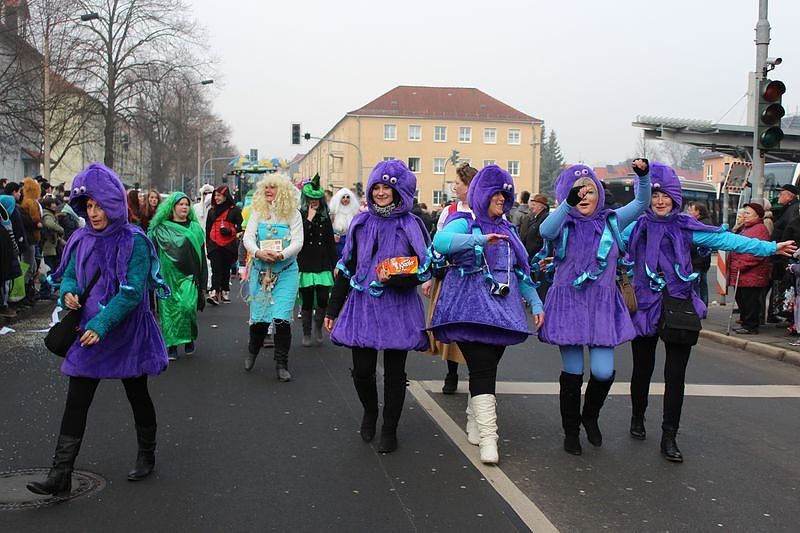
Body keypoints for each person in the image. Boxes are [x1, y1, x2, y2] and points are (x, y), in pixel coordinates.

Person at [626, 163, 796, 462]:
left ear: (675, 197)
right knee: (642, 368)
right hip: (644, 305)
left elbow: (728, 240)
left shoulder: (687, 227)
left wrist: (770, 248)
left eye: (665, 196)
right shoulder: (636, 227)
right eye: (654, 196)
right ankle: (637, 417)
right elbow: (607, 244)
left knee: (675, 375)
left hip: (679, 304)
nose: (660, 201)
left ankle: (669, 436)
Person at [26, 163, 169, 497]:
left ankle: (146, 454)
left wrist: (102, 324)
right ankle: (60, 474)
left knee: (137, 394)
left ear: (114, 204)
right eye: (88, 205)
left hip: (126, 331)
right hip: (87, 332)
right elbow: (71, 276)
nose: (93, 213)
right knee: (77, 400)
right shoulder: (81, 238)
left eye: (100, 205)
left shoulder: (135, 241)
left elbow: (131, 293)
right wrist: (68, 292)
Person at [430, 165, 544, 464]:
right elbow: (440, 243)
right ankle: (490, 438)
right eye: (496, 193)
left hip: (502, 311)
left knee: (487, 367)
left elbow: (520, 271)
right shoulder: (463, 221)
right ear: (482, 193)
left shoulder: (509, 230)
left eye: (505, 194)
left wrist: (536, 303)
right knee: (482, 368)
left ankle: (474, 419)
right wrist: (480, 240)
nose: (501, 199)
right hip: (468, 308)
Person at [538, 160, 651, 456]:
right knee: (573, 371)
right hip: (568, 305)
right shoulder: (563, 222)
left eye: (589, 190)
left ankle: (590, 415)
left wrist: (643, 176)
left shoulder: (611, 220)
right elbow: (545, 231)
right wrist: (566, 204)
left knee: (602, 371)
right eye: (577, 191)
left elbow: (641, 203)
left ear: (599, 193)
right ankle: (571, 432)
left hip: (602, 305)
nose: (584, 196)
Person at [324, 160, 432, 453]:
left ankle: (389, 429)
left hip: (398, 307)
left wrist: (396, 279)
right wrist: (333, 309)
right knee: (362, 371)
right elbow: (347, 267)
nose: (381, 193)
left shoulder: (411, 224)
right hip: (363, 306)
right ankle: (370, 411)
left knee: (395, 375)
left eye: (387, 187)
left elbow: (424, 269)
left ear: (399, 191)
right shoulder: (360, 223)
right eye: (377, 187)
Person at [242, 174, 303, 381]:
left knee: (282, 318)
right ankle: (253, 349)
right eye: (266, 188)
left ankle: (281, 364)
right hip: (261, 273)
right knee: (260, 319)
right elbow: (248, 238)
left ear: (283, 190)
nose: (268, 191)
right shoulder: (257, 212)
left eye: (273, 187)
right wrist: (258, 252)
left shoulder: (293, 214)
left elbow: (298, 242)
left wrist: (281, 255)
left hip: (286, 272)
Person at [429, 162, 477, 394]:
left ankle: (478, 374)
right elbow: (437, 245)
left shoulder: (484, 209)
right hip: (451, 274)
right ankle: (452, 372)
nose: (454, 187)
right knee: (452, 323)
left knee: (477, 326)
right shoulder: (449, 211)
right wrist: (429, 276)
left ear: (469, 185)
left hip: (478, 278)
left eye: (457, 183)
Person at [148, 192, 207, 360]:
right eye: (180, 204)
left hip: (189, 275)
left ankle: (188, 337)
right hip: (166, 276)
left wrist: (203, 281)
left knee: (187, 307)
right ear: (172, 207)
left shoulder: (195, 228)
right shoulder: (160, 229)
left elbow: (202, 256)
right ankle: (171, 346)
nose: (184, 207)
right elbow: (151, 252)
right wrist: (151, 277)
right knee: (168, 312)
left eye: (186, 204)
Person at [297, 174, 338, 347]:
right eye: (310, 199)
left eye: (316, 199)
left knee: (322, 298)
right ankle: (306, 333)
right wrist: (309, 218)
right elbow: (299, 239)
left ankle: (318, 327)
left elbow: (330, 243)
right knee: (306, 300)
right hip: (306, 262)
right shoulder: (299, 215)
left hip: (322, 263)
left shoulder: (325, 217)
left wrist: (336, 265)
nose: (314, 202)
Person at [728, 203, 771, 335]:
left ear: (757, 216)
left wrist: (742, 263)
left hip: (751, 273)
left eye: (748, 213)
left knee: (750, 300)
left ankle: (751, 326)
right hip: (742, 273)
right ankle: (746, 322)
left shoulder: (760, 229)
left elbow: (759, 252)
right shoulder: (747, 228)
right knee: (742, 299)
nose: (744, 216)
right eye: (744, 213)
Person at [768, 184, 799, 324]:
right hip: (782, 253)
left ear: (789, 196)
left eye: (781, 194)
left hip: (785, 254)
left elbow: (790, 232)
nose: (778, 196)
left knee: (784, 286)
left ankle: (785, 315)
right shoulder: (788, 209)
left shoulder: (793, 209)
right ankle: (777, 313)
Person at [205, 185, 242, 305]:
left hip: (228, 244)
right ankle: (214, 292)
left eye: (219, 195)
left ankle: (225, 290)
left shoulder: (235, 210)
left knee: (226, 268)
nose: (216, 198)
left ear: (225, 196)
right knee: (215, 268)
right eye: (215, 195)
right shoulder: (211, 211)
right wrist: (207, 244)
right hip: (214, 243)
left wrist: (230, 231)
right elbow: (208, 228)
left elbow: (241, 226)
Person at [686, 201, 713, 306]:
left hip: (697, 260)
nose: (688, 212)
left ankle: (699, 307)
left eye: (690, 210)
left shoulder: (700, 225)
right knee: (702, 284)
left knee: (697, 285)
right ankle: (703, 305)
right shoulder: (706, 222)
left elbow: (696, 242)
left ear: (698, 212)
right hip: (703, 260)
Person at [38, 196, 65, 300]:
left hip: (51, 247)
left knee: (50, 269)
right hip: (48, 248)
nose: (55, 205)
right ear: (48, 205)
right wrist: (60, 229)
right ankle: (45, 292)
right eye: (53, 203)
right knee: (48, 270)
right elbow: (49, 224)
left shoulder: (50, 214)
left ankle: (47, 291)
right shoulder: (47, 214)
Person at [329, 187, 360, 257]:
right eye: (343, 197)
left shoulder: (355, 212)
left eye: (347, 197)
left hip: (350, 240)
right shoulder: (333, 213)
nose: (345, 199)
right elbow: (328, 227)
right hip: (337, 240)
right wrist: (332, 236)